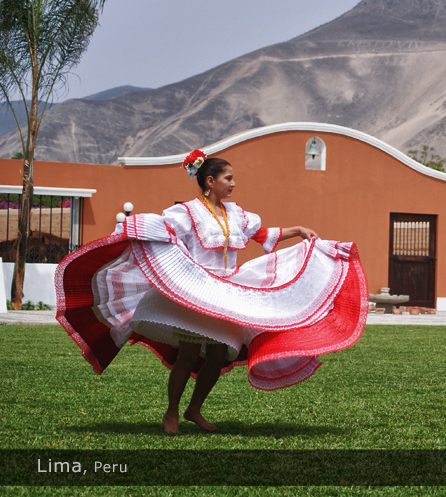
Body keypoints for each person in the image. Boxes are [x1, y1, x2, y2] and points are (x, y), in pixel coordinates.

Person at [55, 149, 368, 433]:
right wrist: (133, 230)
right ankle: (172, 413)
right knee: (189, 354)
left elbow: (262, 234)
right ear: (210, 181)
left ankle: (194, 409)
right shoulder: (186, 213)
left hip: (226, 291)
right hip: (193, 289)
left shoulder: (236, 214)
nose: (233, 184)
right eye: (228, 178)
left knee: (217, 355)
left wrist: (298, 230)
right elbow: (163, 233)